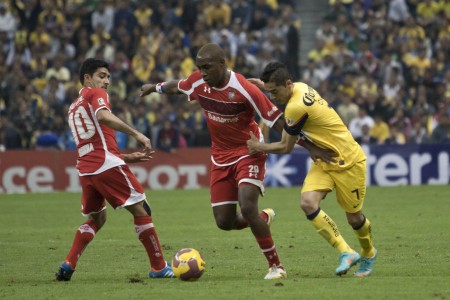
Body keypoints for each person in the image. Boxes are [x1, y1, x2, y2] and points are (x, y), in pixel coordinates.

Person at [140, 43, 336, 280]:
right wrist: (153, 88)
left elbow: (280, 123)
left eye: (207, 67)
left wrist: (311, 147)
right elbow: (177, 87)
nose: (202, 73)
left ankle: (276, 266)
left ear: (223, 65)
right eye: (200, 67)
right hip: (220, 156)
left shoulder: (244, 89)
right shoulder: (197, 81)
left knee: (247, 206)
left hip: (248, 150)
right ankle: (262, 219)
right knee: (224, 221)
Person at [246, 62, 377, 277]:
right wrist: (264, 85)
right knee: (307, 203)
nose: (271, 97)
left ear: (287, 84)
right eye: (268, 92)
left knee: (354, 219)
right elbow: (281, 89)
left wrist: (258, 146)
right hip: (325, 159)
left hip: (348, 161)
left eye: (274, 92)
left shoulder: (295, 107)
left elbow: (285, 146)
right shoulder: (299, 87)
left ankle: (369, 252)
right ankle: (346, 252)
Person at [55, 58, 175, 281]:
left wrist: (127, 158)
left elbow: (93, 145)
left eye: (108, 77)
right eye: (102, 75)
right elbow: (102, 116)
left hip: (87, 169)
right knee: (141, 209)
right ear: (87, 79)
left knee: (98, 218)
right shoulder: (95, 93)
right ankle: (158, 267)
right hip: (105, 164)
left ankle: (69, 263)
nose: (107, 81)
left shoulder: (73, 107)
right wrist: (136, 134)